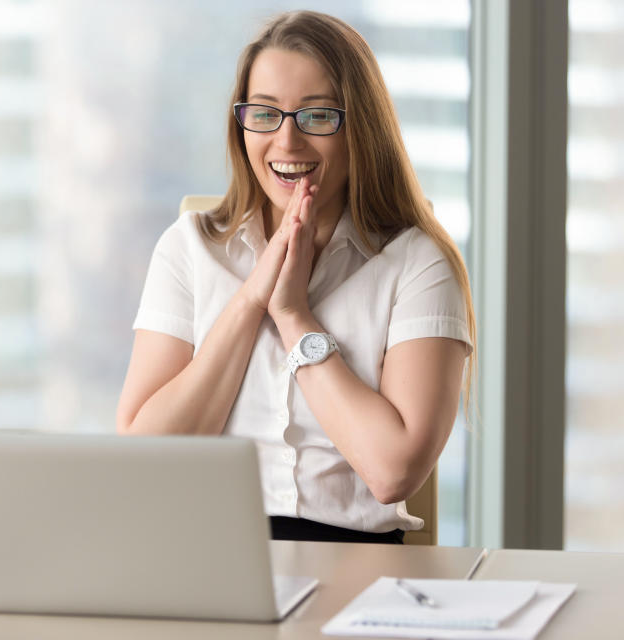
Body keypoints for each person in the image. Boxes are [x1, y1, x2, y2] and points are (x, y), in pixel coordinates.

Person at [116, 10, 476, 544]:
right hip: (201, 556)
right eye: (264, 114)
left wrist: (292, 316)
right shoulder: (189, 248)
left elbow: (393, 471)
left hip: (357, 564)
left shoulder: (418, 263)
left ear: (361, 128)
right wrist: (250, 300)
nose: (286, 142)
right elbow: (143, 459)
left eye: (317, 116)